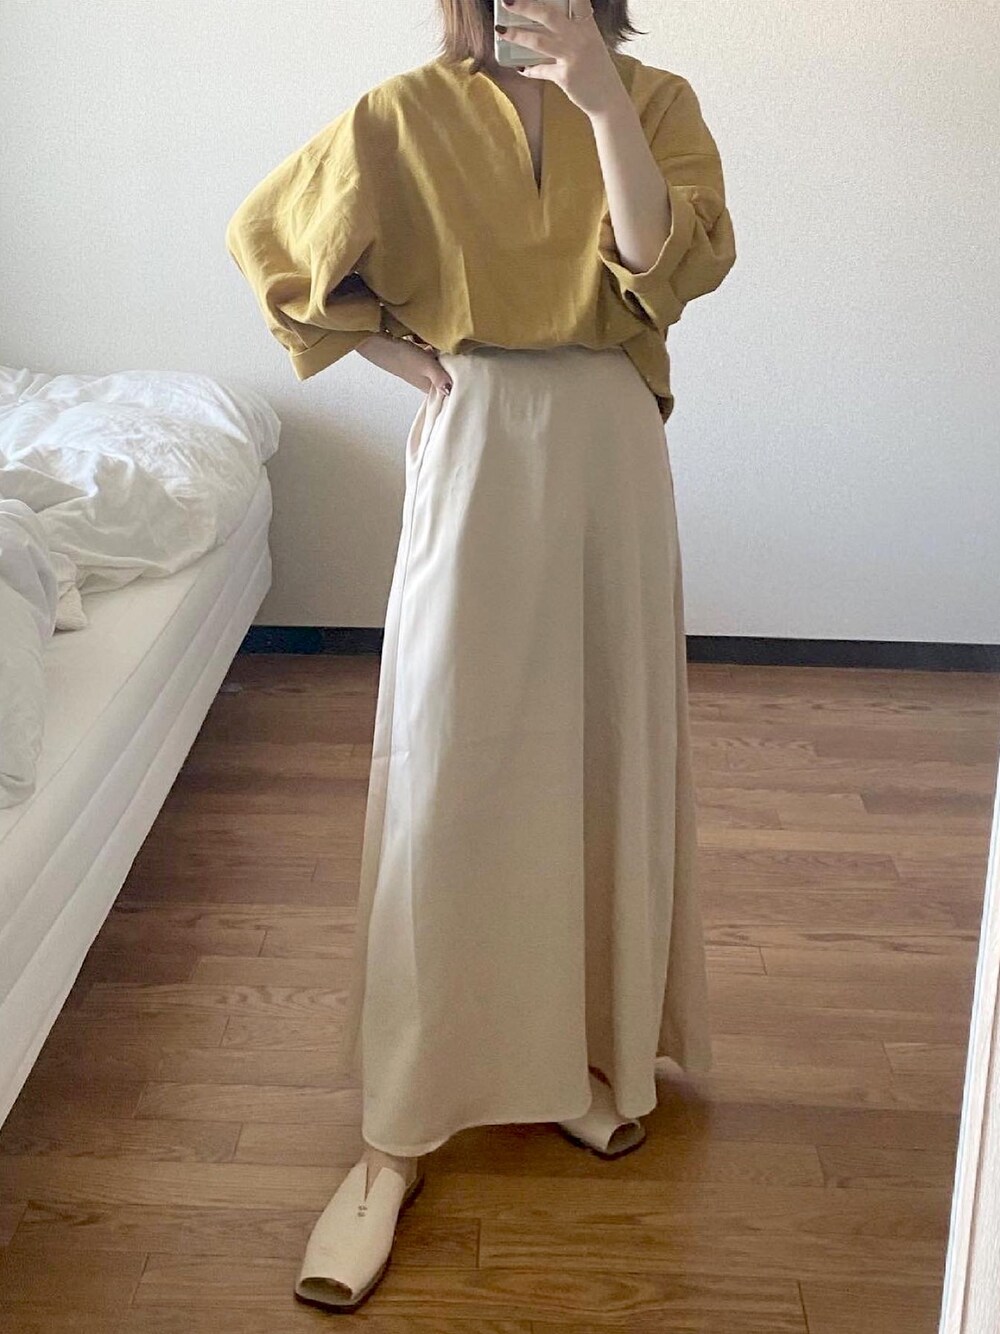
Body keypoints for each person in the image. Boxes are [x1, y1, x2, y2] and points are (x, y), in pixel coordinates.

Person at [225, 0, 736, 1311]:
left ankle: (580, 1059)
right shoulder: (406, 111)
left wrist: (600, 96)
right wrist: (404, 358)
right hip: (480, 434)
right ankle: (393, 1136)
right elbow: (273, 242)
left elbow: (663, 268)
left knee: (603, 748)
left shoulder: (658, 102)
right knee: (447, 769)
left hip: (613, 447)